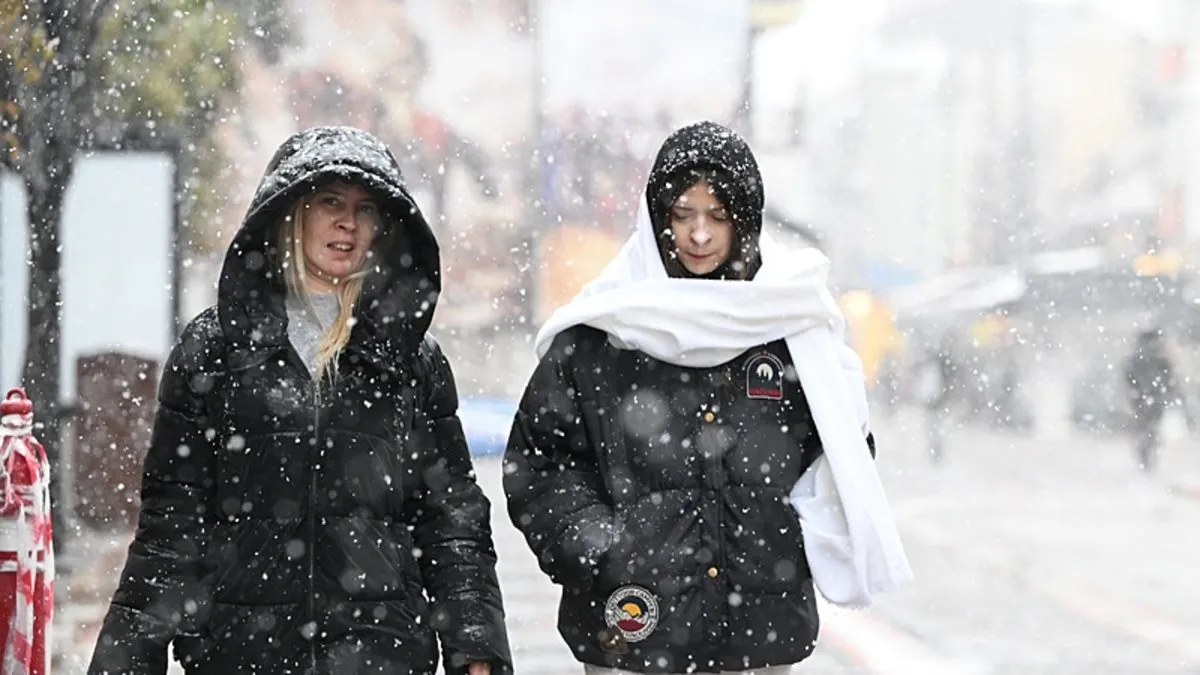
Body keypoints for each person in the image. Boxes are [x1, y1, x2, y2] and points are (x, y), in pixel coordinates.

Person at [88, 126, 513, 675]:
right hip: (240, 654)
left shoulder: (410, 359)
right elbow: (172, 522)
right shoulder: (216, 350)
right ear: (291, 213)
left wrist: (474, 644)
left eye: (365, 208)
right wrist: (129, 657)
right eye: (330, 201)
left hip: (380, 653)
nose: (348, 222)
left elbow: (451, 518)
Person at [503, 121, 911, 675]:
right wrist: (600, 549)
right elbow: (539, 461)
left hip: (759, 631)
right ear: (657, 218)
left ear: (746, 221)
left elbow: (842, 453)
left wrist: (790, 541)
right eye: (683, 214)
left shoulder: (790, 325)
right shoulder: (606, 331)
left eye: (718, 216)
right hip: (630, 630)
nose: (699, 235)